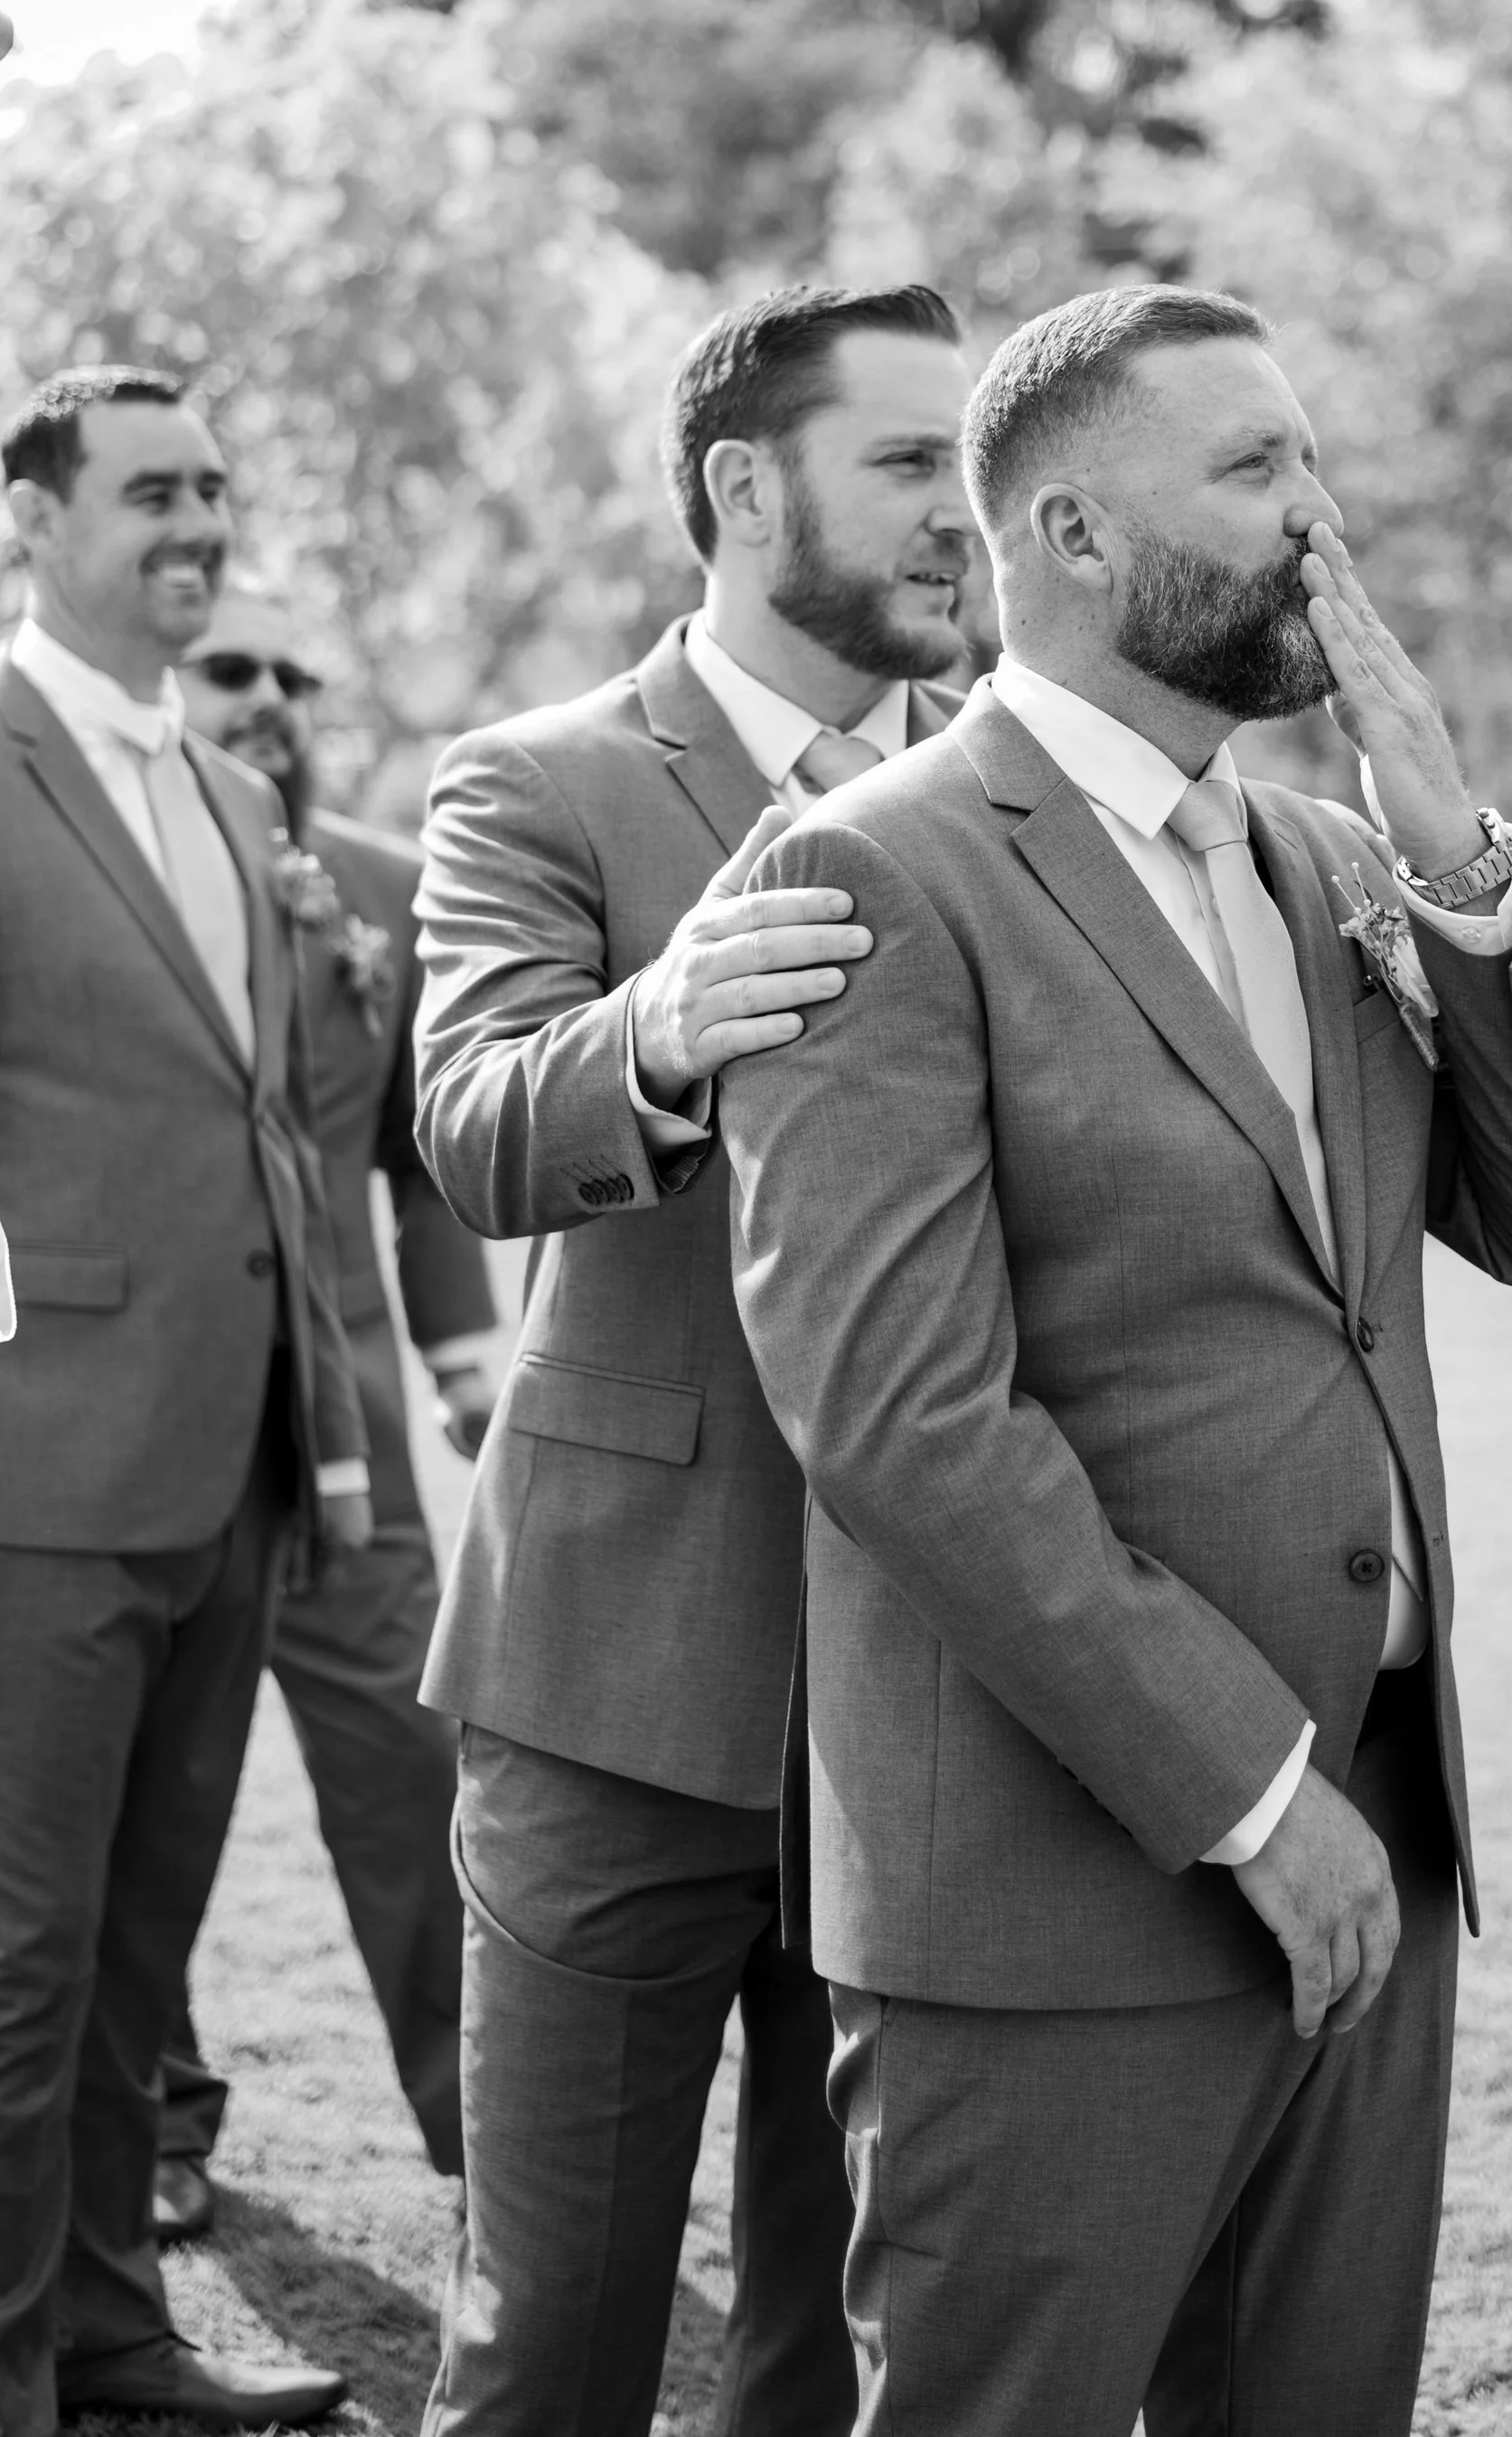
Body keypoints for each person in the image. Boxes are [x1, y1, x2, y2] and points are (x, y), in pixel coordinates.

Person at [720, 283, 1512, 2437]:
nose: (1320, 523)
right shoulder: (882, 870)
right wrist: (1246, 1799)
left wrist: (1458, 859)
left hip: (1381, 1843)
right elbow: (898, 1420)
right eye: (1252, 471)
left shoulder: (1338, 865)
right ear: (1067, 533)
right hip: (1059, 1893)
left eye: (1312, 462)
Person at [413, 282, 974, 2437]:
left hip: (934, 1708)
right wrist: (655, 1024)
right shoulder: (536, 783)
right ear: (745, 491)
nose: (964, 525)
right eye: (910, 467)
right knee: (547, 2334)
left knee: (831, 2357)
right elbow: (469, 1127)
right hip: (611, 1687)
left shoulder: (1022, 801)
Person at [0, 368, 370, 2435]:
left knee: (142, 1957)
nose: (199, 521)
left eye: (217, 485)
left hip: (235, 1467)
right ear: (33, 523)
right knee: (19, 1967)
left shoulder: (237, 799)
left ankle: (117, 2334)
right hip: (34, 1472)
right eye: (152, 490)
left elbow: (276, 1127)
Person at [151, 579, 504, 2238]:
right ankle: (154, 2125)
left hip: (346, 1430)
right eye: (233, 668)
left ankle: (491, 2141)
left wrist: (459, 1358)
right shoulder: (95, 884)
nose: (271, 697)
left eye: (293, 673)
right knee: (135, 1811)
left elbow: (420, 1159)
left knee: (419, 1770)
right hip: (135, 1432)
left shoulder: (384, 885)